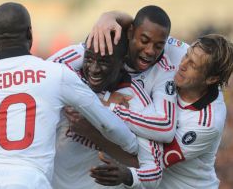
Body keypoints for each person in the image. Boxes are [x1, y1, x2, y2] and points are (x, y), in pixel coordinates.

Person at [0, 2, 138, 188]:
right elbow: (108, 125)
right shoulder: (55, 73)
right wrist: (134, 147)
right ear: (30, 33)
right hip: (30, 180)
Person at [89, 34, 233, 189]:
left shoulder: (207, 123)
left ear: (211, 79)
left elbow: (149, 159)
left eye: (193, 65)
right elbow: (139, 29)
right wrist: (109, 18)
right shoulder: (182, 53)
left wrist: (93, 135)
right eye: (187, 55)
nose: (182, 64)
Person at [49, 5, 177, 144]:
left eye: (158, 46)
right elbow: (45, 74)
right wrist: (100, 101)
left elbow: (166, 129)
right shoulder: (106, 45)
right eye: (144, 41)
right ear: (130, 33)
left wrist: (111, 109)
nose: (150, 51)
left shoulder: (164, 72)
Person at [52, 31, 163, 189]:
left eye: (104, 62)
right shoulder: (70, 80)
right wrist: (101, 103)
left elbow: (154, 171)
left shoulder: (138, 102)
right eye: (89, 59)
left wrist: (126, 175)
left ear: (122, 61)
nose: (94, 69)